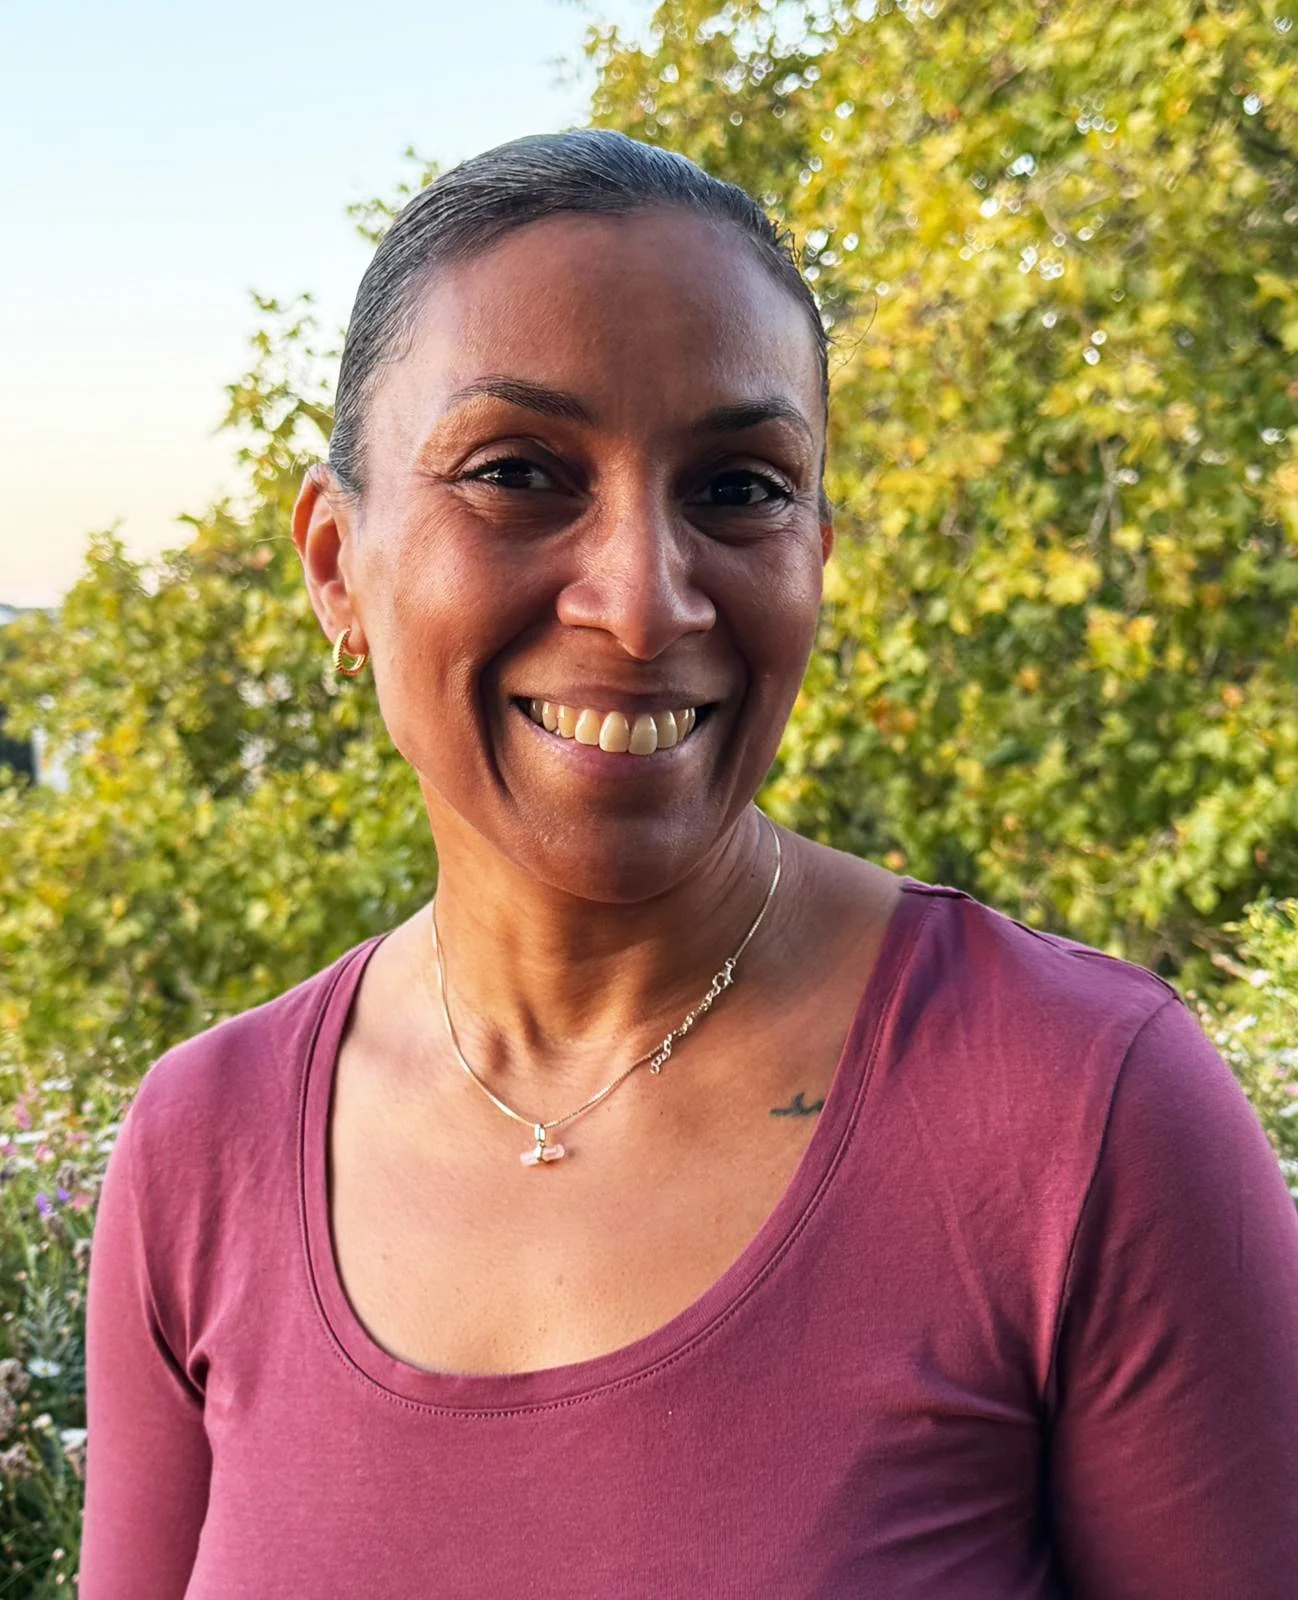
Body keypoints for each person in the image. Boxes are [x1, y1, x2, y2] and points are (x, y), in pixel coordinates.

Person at [80, 130, 1298, 1598]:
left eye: (738, 489)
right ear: (339, 563)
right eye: (519, 472)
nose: (644, 603)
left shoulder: (1075, 1113)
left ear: (816, 556)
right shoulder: (202, 1149)